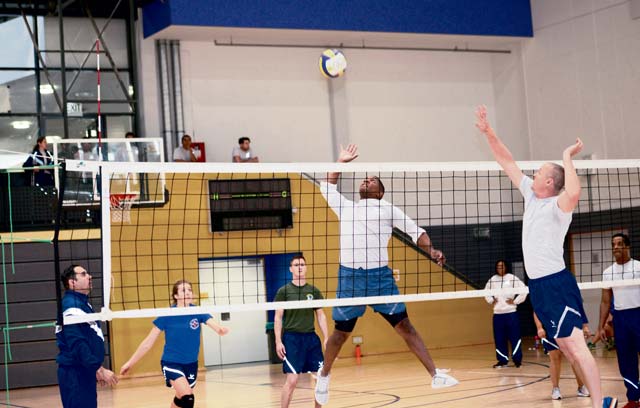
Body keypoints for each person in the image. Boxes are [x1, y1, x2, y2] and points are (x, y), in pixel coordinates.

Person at [475, 105, 617, 408]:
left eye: (539, 172)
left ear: (550, 183)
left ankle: (599, 403)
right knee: (565, 345)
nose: (533, 174)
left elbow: (574, 193)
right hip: (538, 286)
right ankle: (600, 402)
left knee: (577, 347)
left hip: (556, 284)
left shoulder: (558, 206)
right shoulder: (530, 193)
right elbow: (507, 161)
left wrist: (566, 157)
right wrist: (489, 133)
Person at [314, 144, 458, 405]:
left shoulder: (388, 208)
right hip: (351, 279)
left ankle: (435, 375)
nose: (366, 180)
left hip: (380, 279)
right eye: (364, 179)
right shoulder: (346, 207)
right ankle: (324, 376)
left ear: (379, 192)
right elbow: (327, 186)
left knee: (405, 326)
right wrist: (340, 162)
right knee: (340, 334)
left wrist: (432, 250)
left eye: (372, 180)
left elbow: (416, 232)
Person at [120, 280, 228, 408]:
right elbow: (147, 343)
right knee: (188, 398)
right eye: (183, 290)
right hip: (171, 363)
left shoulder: (198, 311)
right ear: (176, 296)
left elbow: (214, 325)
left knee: (180, 399)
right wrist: (130, 363)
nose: (188, 293)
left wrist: (220, 330)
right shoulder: (167, 315)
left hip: (191, 364)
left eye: (190, 290)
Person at [56, 265, 118, 408]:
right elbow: (77, 343)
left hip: (83, 371)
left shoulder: (82, 303)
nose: (89, 276)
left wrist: (93, 368)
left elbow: (89, 338)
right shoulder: (71, 306)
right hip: (75, 373)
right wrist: (98, 368)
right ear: (72, 282)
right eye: (83, 274)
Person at [274, 255, 329, 408]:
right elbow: (278, 317)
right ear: (291, 269)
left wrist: (326, 337)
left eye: (302, 264)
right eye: (296, 265)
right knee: (292, 380)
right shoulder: (284, 291)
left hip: (311, 338)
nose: (300, 267)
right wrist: (278, 341)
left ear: (306, 268)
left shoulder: (313, 291)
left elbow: (321, 315)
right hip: (292, 339)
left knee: (320, 379)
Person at [598, 233, 640, 408]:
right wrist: (600, 326)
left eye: (620, 243)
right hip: (621, 320)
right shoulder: (608, 272)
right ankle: (634, 399)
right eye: (613, 244)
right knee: (625, 361)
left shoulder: (638, 267)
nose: (616, 247)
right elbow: (605, 301)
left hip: (638, 314)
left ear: (627, 246)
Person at [534, 312, 591, 400]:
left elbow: (579, 307)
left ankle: (581, 387)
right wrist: (539, 327)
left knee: (574, 357)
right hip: (551, 327)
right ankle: (555, 388)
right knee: (555, 358)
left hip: (568, 326)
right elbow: (536, 311)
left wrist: (585, 326)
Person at [484, 259, 527, 368]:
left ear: (506, 267)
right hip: (498, 314)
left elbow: (524, 290)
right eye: (498, 266)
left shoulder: (512, 278)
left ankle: (517, 360)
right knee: (499, 338)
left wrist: (516, 301)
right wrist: (491, 300)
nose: (500, 268)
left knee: (515, 337)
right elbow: (485, 292)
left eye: (502, 266)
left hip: (511, 313)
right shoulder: (493, 279)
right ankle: (502, 360)